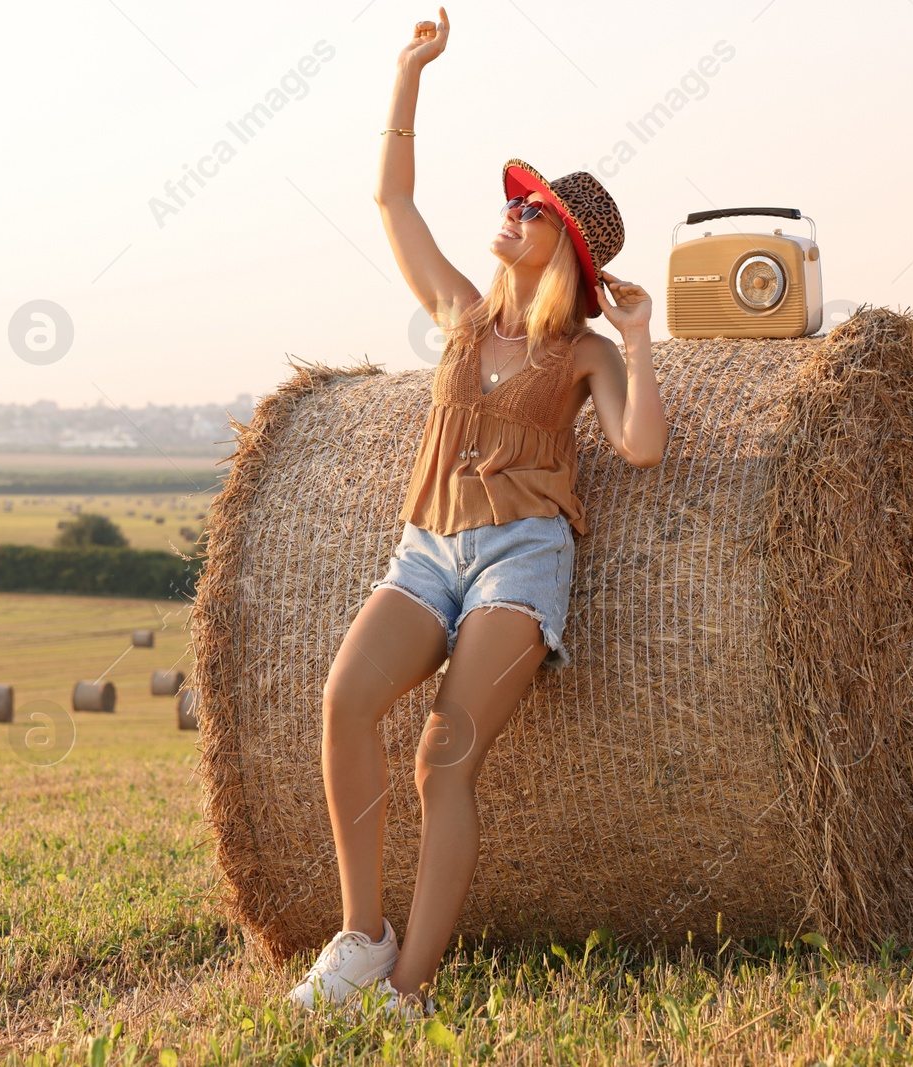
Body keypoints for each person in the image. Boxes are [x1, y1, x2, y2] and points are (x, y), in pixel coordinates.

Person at [285, 6, 668, 1020]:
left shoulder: (582, 351)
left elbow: (639, 446)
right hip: (426, 548)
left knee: (439, 756)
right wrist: (410, 72)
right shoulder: (460, 314)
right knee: (343, 701)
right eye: (513, 198)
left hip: (520, 561)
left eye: (529, 207)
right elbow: (390, 196)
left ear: (564, 248)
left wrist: (636, 334)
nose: (508, 211)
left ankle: (407, 992)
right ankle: (362, 938)